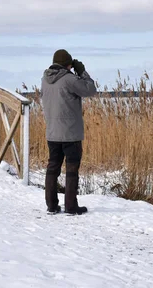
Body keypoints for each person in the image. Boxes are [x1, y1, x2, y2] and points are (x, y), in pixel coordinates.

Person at [41, 49, 97, 215]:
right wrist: (82, 72)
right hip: (70, 134)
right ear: (68, 64)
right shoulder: (69, 79)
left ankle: (51, 205)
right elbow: (90, 90)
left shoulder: (44, 80)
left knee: (53, 168)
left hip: (52, 133)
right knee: (71, 169)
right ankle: (71, 206)